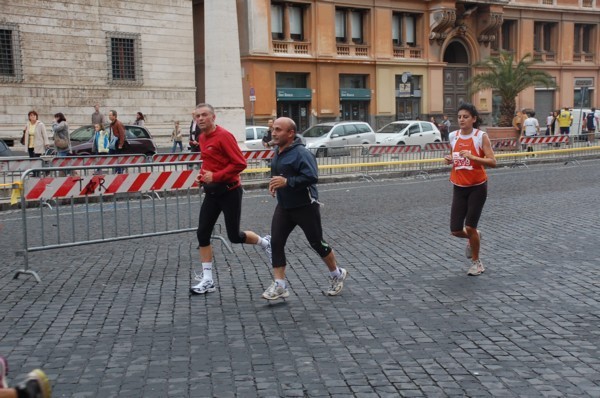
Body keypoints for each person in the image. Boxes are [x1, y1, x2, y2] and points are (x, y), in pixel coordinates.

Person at [262, 116, 348, 300]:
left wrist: (287, 182)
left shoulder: (302, 153)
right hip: (284, 206)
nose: (274, 133)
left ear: (291, 133)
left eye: (278, 130)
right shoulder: (278, 150)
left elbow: (311, 177)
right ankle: (280, 285)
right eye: (273, 129)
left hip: (305, 207)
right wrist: (273, 183)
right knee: (276, 242)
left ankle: (337, 273)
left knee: (317, 243)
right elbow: (278, 172)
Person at [190, 103, 271, 295]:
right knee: (202, 233)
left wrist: (215, 177)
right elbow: (209, 163)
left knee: (234, 236)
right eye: (197, 116)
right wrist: (202, 176)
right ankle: (208, 280)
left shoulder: (224, 136)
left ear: (213, 117)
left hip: (230, 191)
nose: (200, 119)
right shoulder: (201, 137)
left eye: (203, 115)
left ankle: (266, 243)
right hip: (212, 193)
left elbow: (240, 163)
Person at [444, 103, 497, 276]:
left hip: (477, 187)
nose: (461, 120)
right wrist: (450, 159)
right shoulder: (453, 136)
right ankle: (475, 236)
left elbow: (493, 162)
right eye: (459, 117)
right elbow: (455, 156)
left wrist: (473, 157)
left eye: (465, 117)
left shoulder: (480, 137)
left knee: (470, 226)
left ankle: (476, 263)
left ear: (474, 119)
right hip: (459, 186)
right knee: (456, 229)